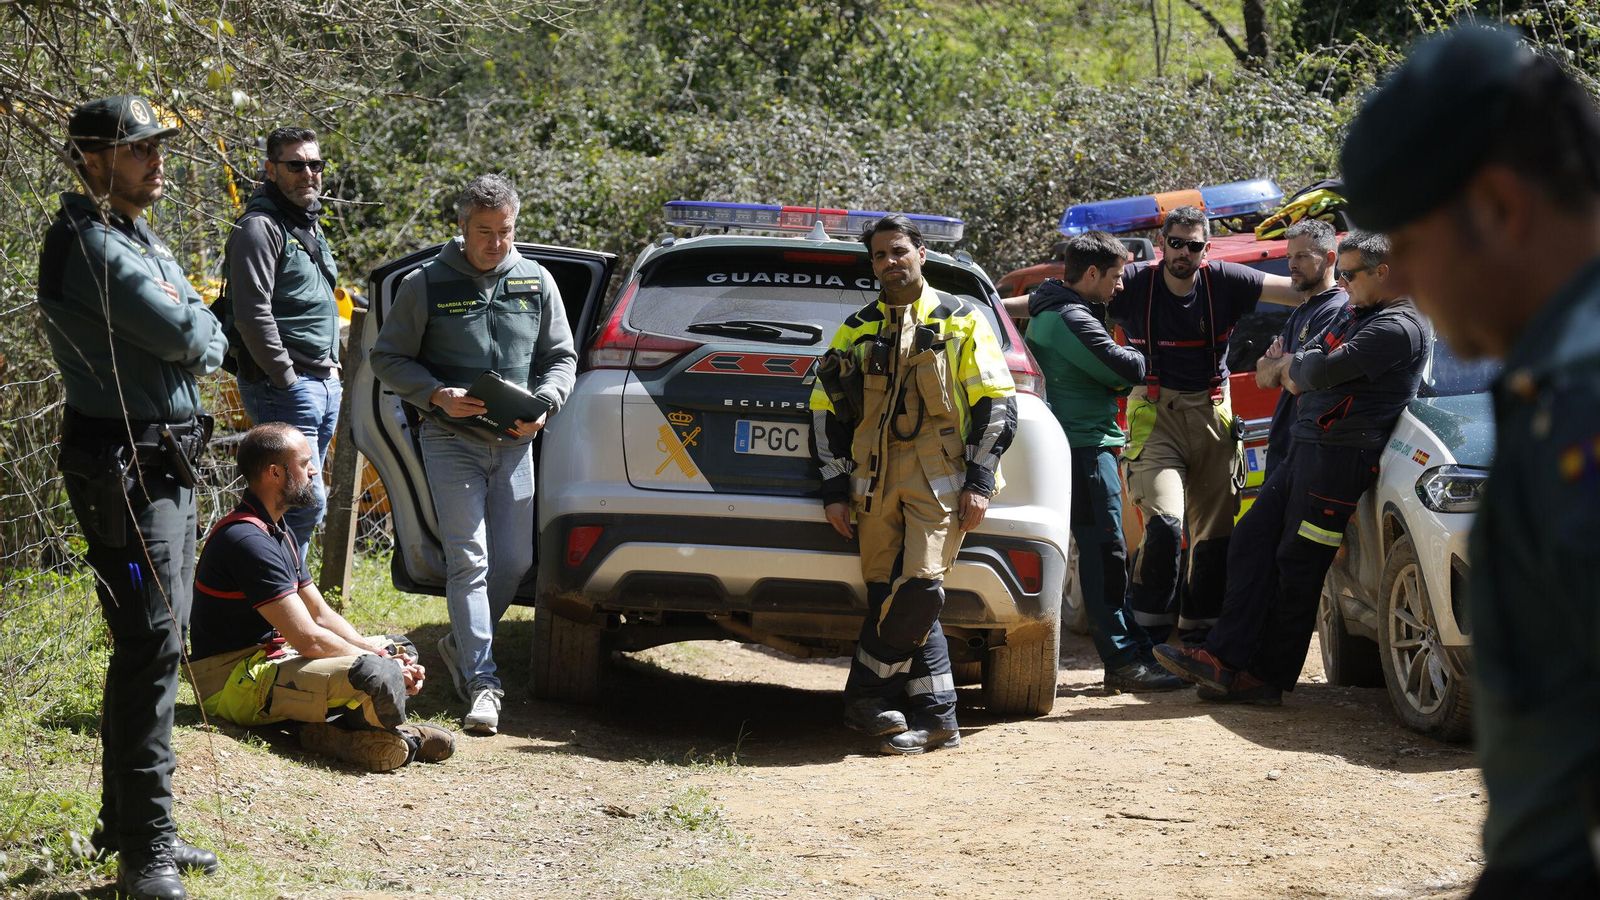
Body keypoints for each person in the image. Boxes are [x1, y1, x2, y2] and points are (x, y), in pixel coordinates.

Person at [1339, 25, 1600, 897]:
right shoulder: (1546, 387)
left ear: (1497, 208)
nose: (1400, 281)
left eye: (1410, 242)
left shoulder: (1580, 400)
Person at [37, 95, 226, 900]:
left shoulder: (134, 235)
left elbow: (201, 328)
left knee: (157, 637)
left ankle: (131, 823)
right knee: (150, 639)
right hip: (124, 471)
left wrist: (195, 323)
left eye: (157, 146)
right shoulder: (86, 243)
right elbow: (189, 336)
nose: (156, 160)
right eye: (138, 147)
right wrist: (195, 324)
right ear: (91, 156)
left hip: (164, 464)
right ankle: (144, 852)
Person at [1154, 233, 1429, 706]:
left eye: (1349, 274)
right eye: (1341, 273)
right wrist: (1294, 366)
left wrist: (1295, 366)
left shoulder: (1398, 327)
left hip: (1339, 460)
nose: (1342, 282)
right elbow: (1292, 365)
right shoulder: (1355, 312)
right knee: (1250, 540)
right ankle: (1223, 659)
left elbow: (1313, 373)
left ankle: (1266, 679)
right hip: (1305, 448)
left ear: (1383, 273)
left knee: (1297, 566)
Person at [370, 174, 576, 735]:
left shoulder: (537, 280)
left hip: (515, 443)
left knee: (514, 562)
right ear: (462, 227)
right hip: (450, 440)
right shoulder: (425, 284)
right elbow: (387, 358)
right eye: (484, 231)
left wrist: (548, 402)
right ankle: (484, 683)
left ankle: (460, 645)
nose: (496, 243)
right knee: (470, 560)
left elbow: (561, 356)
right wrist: (437, 394)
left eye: (505, 231)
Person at [811, 215, 1018, 754]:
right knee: (887, 595)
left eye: (899, 251)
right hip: (872, 481)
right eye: (880, 255)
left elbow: (996, 401)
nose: (890, 262)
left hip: (940, 479)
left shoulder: (961, 318)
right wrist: (834, 489)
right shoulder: (857, 327)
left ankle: (864, 697)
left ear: (921, 253)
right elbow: (825, 411)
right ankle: (939, 718)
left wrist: (980, 479)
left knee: (921, 589)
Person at [188, 424, 454, 772]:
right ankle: (390, 735)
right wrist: (383, 664)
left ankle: (328, 732)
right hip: (232, 682)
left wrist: (383, 654)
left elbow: (321, 615)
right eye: (305, 463)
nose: (313, 470)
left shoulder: (276, 530)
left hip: (269, 662)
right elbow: (309, 638)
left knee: (399, 648)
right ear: (275, 473)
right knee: (377, 673)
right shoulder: (246, 540)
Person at [1110, 207, 1301, 645]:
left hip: (1212, 413)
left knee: (1215, 537)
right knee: (1165, 524)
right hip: (1153, 418)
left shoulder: (1226, 280)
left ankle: (1201, 638)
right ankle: (1147, 643)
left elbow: (1303, 291)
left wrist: (1366, 289)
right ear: (1161, 244)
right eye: (1175, 243)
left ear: (1206, 249)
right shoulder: (1134, 281)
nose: (1184, 252)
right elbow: (1071, 296)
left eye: (1193, 245)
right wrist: (995, 306)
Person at [1023, 231, 1182, 692]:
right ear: (1091, 273)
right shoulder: (1070, 317)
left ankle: (1132, 652)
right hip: (1086, 449)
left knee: (1104, 554)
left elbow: (1106, 373)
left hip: (1080, 444)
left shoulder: (1054, 310)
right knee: (1105, 555)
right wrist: (1134, 357)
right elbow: (1126, 370)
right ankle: (1123, 661)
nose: (1120, 286)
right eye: (1115, 276)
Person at [223, 126, 343, 567]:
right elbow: (252, 313)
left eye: (315, 164)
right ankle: (276, 597)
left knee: (301, 506)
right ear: (271, 170)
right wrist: (286, 377)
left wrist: (331, 374)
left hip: (322, 382)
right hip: (288, 386)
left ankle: (287, 595)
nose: (308, 173)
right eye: (295, 165)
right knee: (301, 503)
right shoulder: (259, 228)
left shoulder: (304, 223)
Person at [1254, 219, 1348, 475]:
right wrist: (1284, 364)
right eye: (1289, 257)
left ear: (1329, 258)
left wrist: (1280, 364)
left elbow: (1298, 380)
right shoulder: (1302, 311)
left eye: (1302, 256)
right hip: (1284, 450)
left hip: (1308, 454)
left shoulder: (1336, 309)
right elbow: (1261, 376)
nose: (1292, 265)